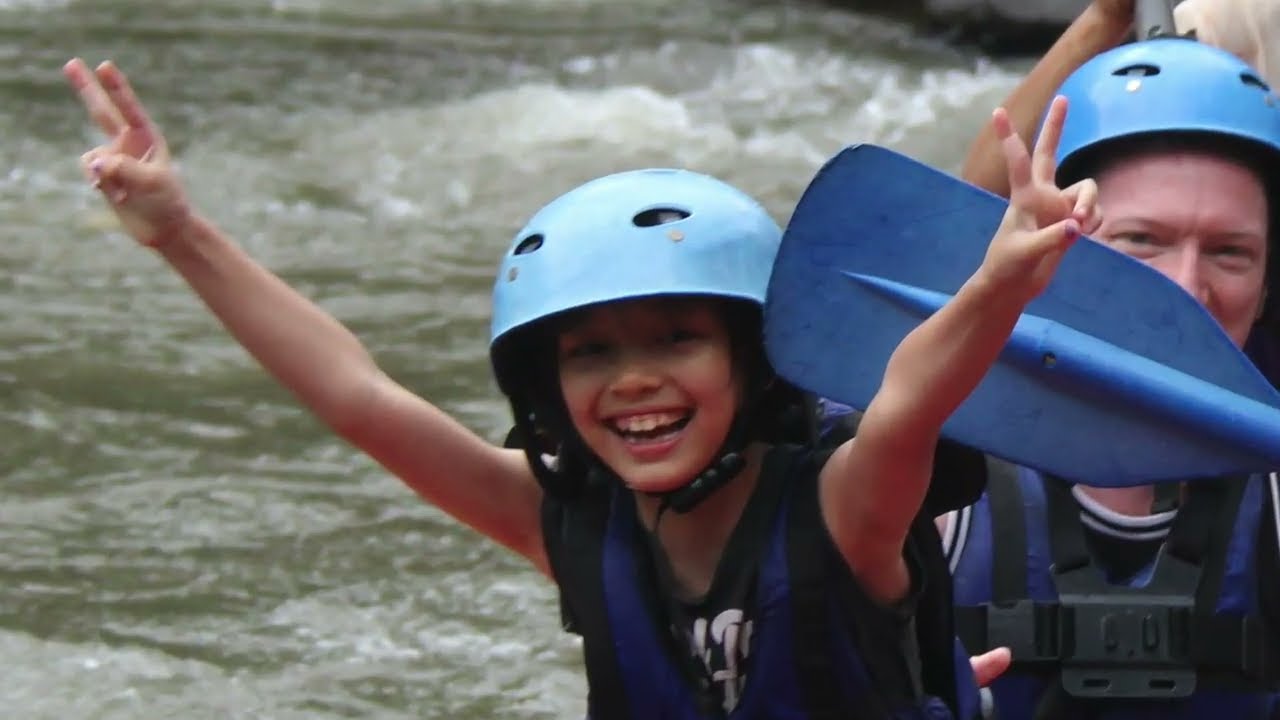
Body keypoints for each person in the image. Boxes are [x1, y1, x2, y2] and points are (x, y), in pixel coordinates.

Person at [63, 55, 1097, 718]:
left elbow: (911, 399)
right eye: (589, 353)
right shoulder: (566, 523)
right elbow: (359, 397)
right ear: (547, 386)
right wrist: (180, 234)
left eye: (677, 339)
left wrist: (1000, 282)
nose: (634, 380)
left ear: (753, 359)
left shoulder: (844, 508)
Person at [941, 38, 1280, 720]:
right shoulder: (931, 481)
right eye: (1141, 241)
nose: (1187, 290)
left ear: (1268, 288)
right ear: (1053, 254)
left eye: (1229, 252)